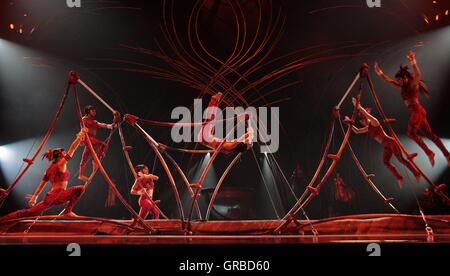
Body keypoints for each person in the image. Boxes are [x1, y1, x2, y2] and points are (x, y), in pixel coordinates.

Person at [375, 51, 450, 167]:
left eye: (400, 79)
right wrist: (380, 73)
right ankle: (447, 154)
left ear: (405, 77)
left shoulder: (412, 85)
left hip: (417, 111)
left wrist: (413, 62)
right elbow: (389, 81)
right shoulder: (402, 86)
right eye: (398, 80)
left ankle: (430, 153)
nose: (399, 82)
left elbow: (418, 74)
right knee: (431, 136)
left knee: (410, 133)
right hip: (418, 112)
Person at [0, 129, 88, 222]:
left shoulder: (49, 169)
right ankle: (68, 211)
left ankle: (2, 220)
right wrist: (79, 138)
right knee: (80, 189)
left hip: (51, 197)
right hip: (58, 195)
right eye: (64, 153)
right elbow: (72, 149)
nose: (65, 154)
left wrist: (35, 197)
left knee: (28, 212)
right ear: (59, 156)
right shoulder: (60, 164)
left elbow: (41, 185)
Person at [345, 98, 421, 189]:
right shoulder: (368, 128)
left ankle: (416, 174)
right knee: (386, 162)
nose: (362, 122)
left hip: (390, 142)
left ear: (366, 119)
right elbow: (357, 131)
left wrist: (358, 106)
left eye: (362, 120)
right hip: (386, 146)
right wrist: (349, 123)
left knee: (401, 160)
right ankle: (399, 177)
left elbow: (366, 114)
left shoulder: (374, 122)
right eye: (360, 121)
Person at [79, 105, 116, 182]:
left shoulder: (94, 122)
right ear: (88, 111)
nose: (95, 112)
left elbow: (102, 124)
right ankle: (95, 161)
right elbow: (82, 129)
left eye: (95, 111)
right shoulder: (84, 119)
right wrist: (81, 139)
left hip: (92, 140)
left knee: (85, 156)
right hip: (88, 138)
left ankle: (81, 175)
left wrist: (110, 126)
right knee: (103, 145)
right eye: (93, 111)